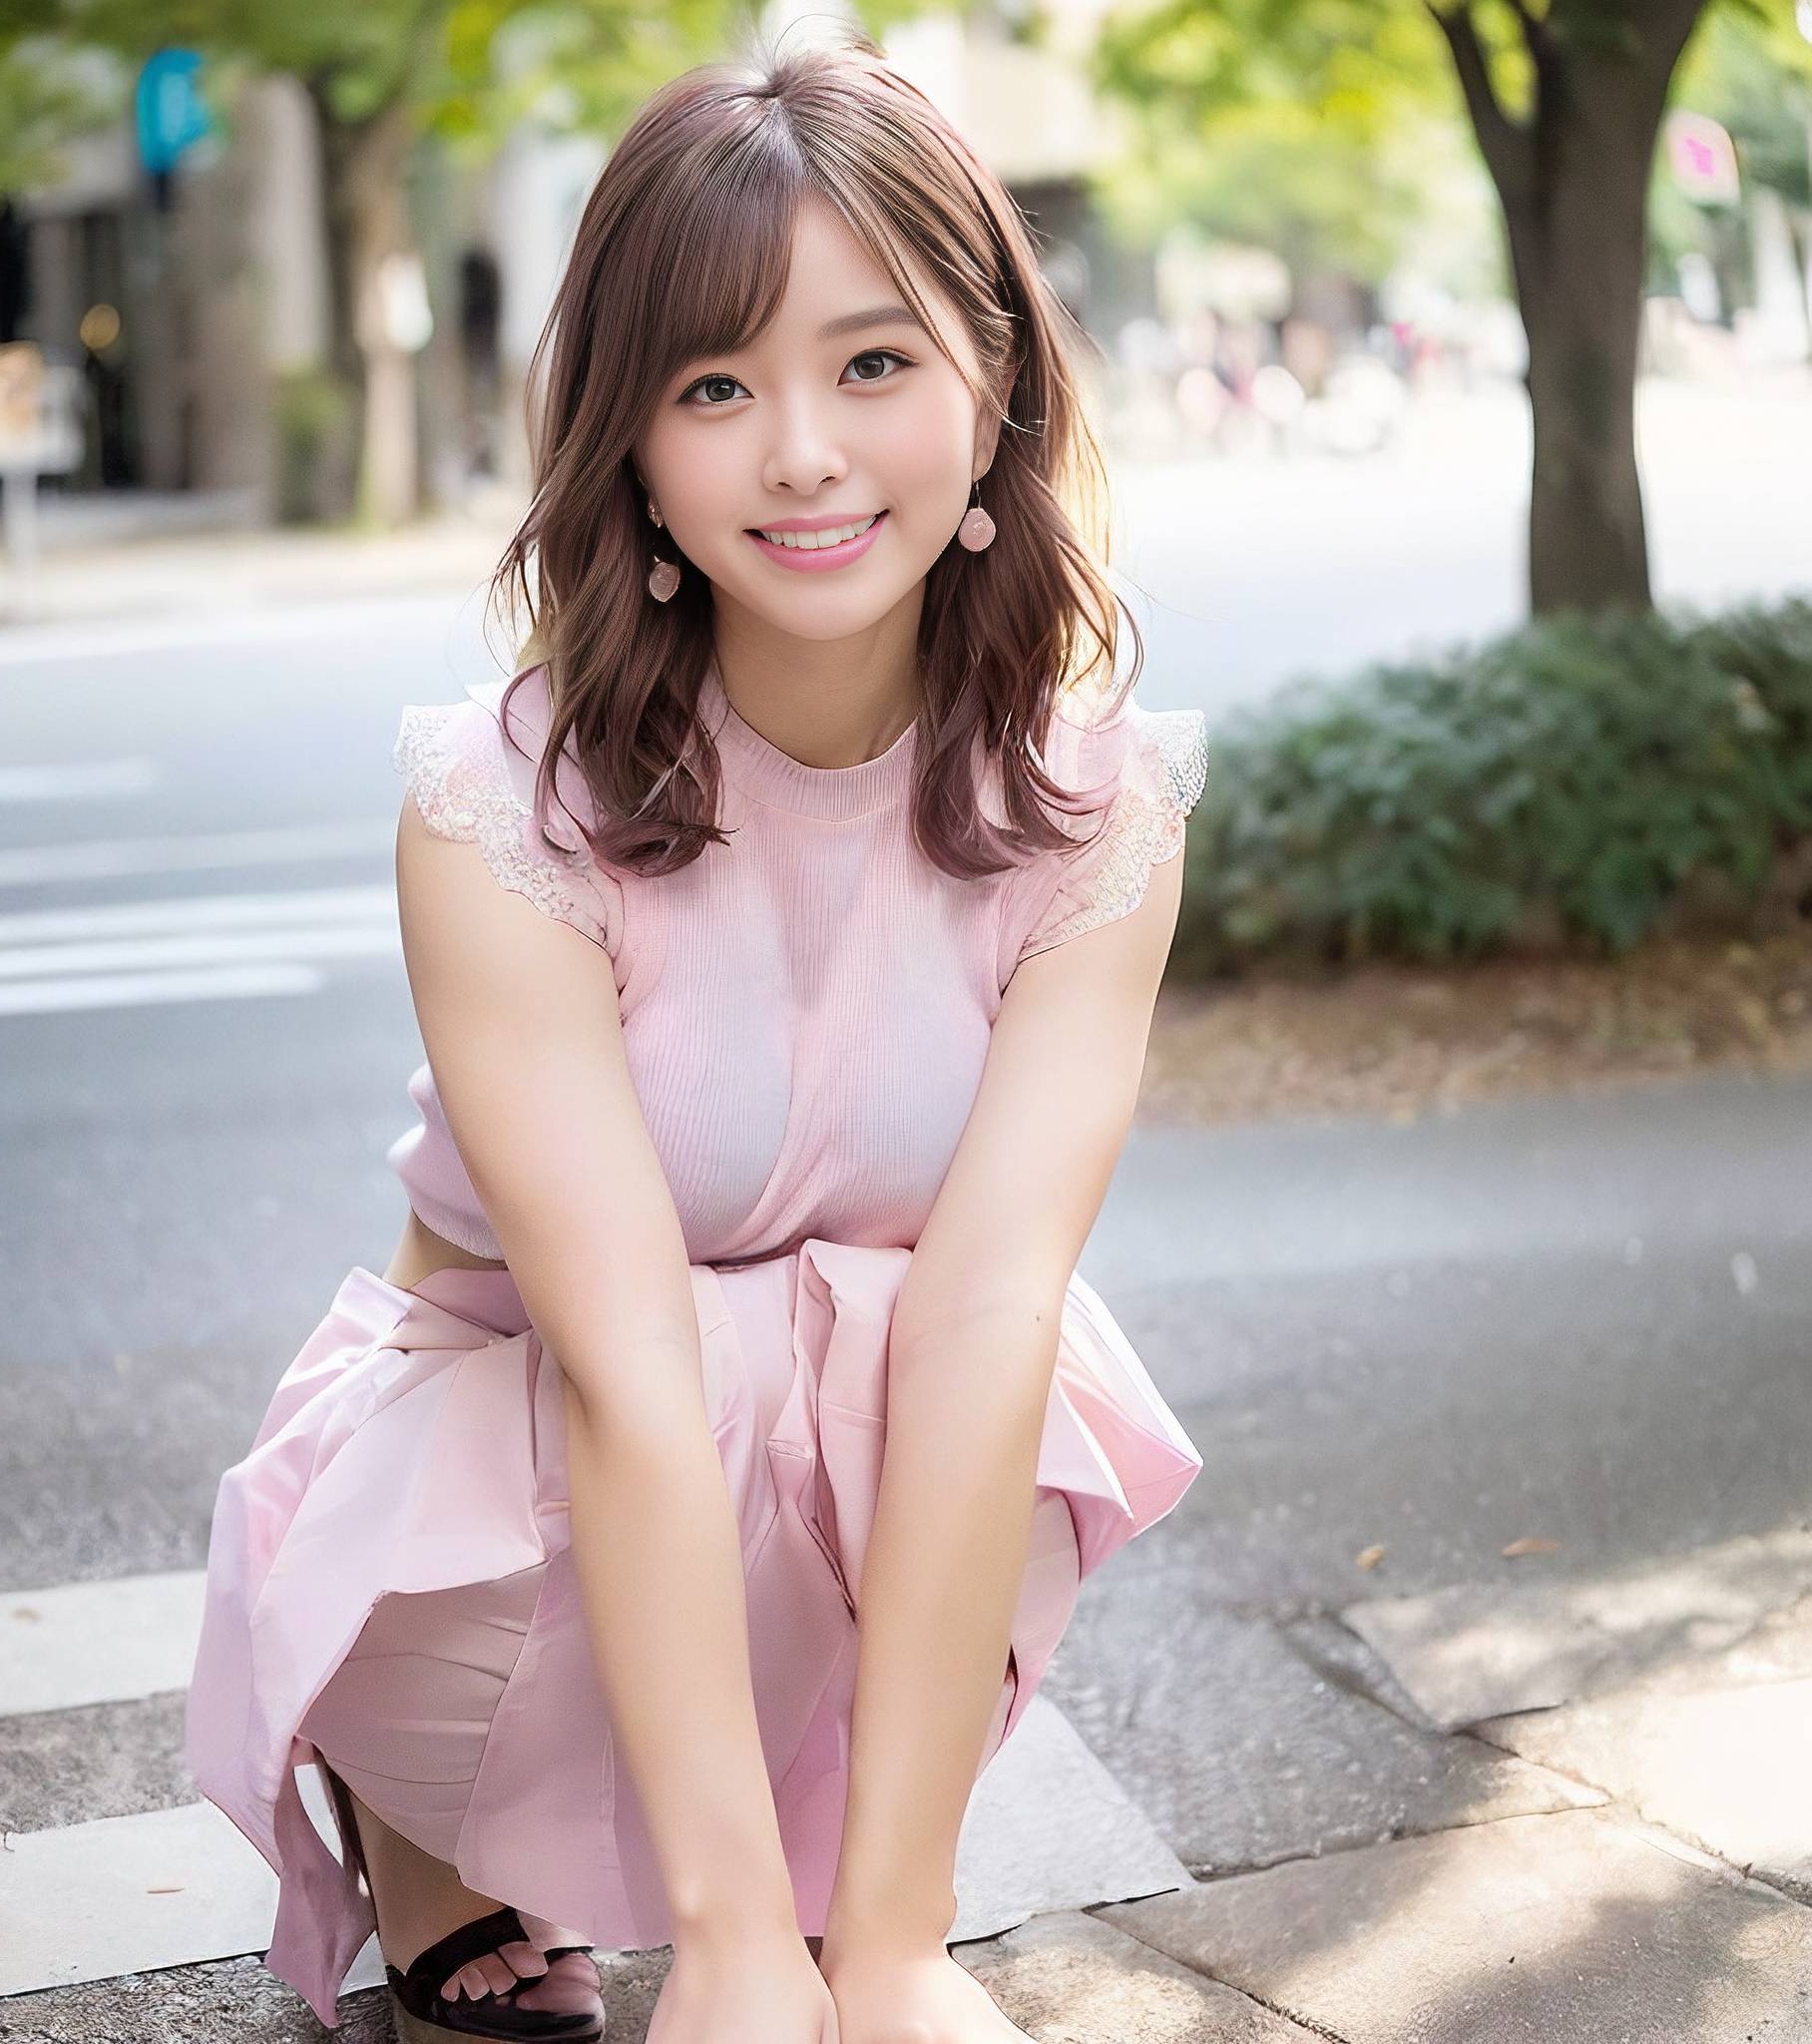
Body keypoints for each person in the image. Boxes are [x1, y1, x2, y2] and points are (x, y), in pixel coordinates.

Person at [184, 26, 1208, 2044]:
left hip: (836, 1435)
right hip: (501, 1468)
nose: (806, 452)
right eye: (716, 385)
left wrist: (892, 1944)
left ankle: (855, 1869)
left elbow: (991, 1316)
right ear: (633, 445)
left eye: (872, 362)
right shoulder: (502, 809)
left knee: (955, 1354)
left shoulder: (1095, 815)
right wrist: (737, 1948)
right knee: (736, 1370)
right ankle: (432, 1811)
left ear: (990, 378)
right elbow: (635, 1368)